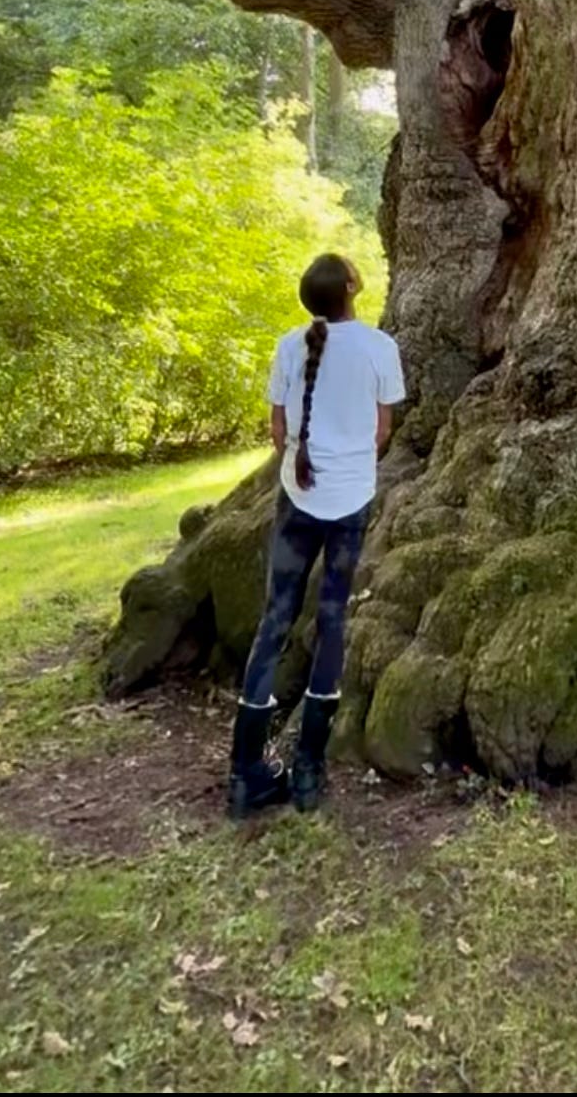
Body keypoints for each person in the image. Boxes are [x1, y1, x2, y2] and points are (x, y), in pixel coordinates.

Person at [227, 252, 405, 820]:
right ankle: (307, 772)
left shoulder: (287, 345)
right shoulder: (381, 348)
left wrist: (306, 457)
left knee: (274, 620)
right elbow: (382, 431)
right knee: (332, 621)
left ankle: (244, 773)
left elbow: (279, 432)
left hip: (295, 499)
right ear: (352, 287)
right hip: (351, 503)